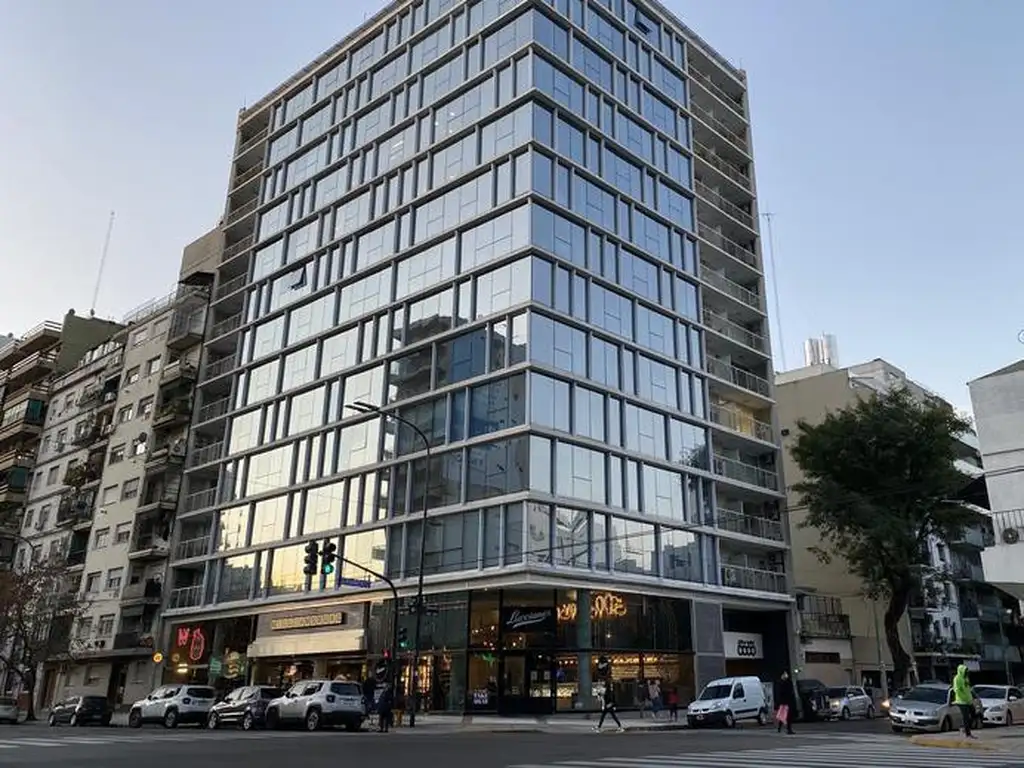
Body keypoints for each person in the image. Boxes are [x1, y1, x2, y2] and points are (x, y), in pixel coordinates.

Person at [953, 664, 975, 738]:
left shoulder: (966, 678)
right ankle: (967, 733)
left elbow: (967, 688)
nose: (967, 672)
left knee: (973, 713)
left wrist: (970, 698)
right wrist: (964, 698)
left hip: (968, 700)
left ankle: (964, 727)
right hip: (961, 701)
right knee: (966, 716)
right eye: (965, 671)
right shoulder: (957, 678)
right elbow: (957, 690)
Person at [774, 670, 796, 735]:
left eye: (786, 674)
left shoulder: (788, 682)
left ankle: (787, 729)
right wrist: (778, 703)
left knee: (787, 716)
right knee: (784, 715)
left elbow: (791, 692)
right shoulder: (779, 683)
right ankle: (785, 728)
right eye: (784, 674)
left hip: (789, 702)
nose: (786, 675)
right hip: (783, 702)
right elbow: (778, 693)